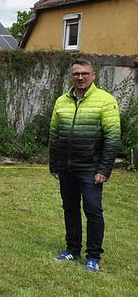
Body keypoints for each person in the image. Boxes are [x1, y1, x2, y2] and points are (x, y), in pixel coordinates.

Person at [50, 59, 121, 272]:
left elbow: (112, 137)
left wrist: (104, 169)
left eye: (85, 73)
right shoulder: (61, 101)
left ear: (93, 75)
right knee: (70, 209)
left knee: (93, 210)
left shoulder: (105, 101)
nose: (80, 77)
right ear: (71, 76)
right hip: (66, 167)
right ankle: (72, 249)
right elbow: (54, 134)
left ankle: (93, 256)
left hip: (91, 169)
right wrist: (54, 163)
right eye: (76, 74)